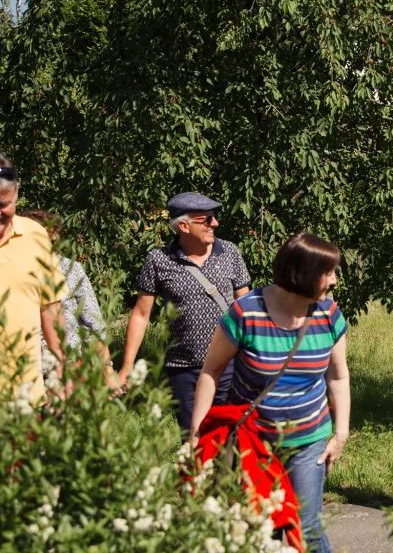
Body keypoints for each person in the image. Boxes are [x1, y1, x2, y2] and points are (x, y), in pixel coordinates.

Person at [190, 232, 350, 553]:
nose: (334, 280)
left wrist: (341, 432)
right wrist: (198, 434)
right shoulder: (246, 313)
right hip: (254, 443)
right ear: (303, 274)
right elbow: (211, 372)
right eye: (328, 272)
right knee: (259, 527)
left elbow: (338, 376)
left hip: (309, 441)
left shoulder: (328, 314)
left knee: (306, 527)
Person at [120, 192, 251, 430]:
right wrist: (127, 366)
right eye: (207, 219)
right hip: (184, 369)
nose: (215, 223)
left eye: (214, 217)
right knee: (193, 439)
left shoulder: (230, 252)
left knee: (231, 437)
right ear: (184, 226)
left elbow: (246, 304)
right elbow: (141, 314)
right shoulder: (158, 260)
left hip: (230, 365)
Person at [0, 150, 67, 407]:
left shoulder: (35, 236)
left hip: (26, 396)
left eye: (3, 204)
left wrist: (60, 370)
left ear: (16, 194)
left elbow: (51, 308)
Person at [19, 210, 113, 381]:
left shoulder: (70, 269)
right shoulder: (10, 271)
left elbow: (93, 323)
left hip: (69, 368)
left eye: (51, 239)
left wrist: (107, 370)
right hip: (23, 370)